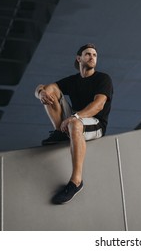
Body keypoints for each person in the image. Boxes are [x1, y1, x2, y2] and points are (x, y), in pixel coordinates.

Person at [34, 43, 113, 204]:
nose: (92, 57)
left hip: (95, 123)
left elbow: (99, 105)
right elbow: (44, 88)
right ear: (79, 59)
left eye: (94, 55)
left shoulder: (103, 78)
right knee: (49, 89)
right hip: (74, 120)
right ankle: (60, 132)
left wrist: (75, 117)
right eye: (88, 54)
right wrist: (40, 93)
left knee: (75, 124)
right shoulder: (73, 80)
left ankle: (76, 182)